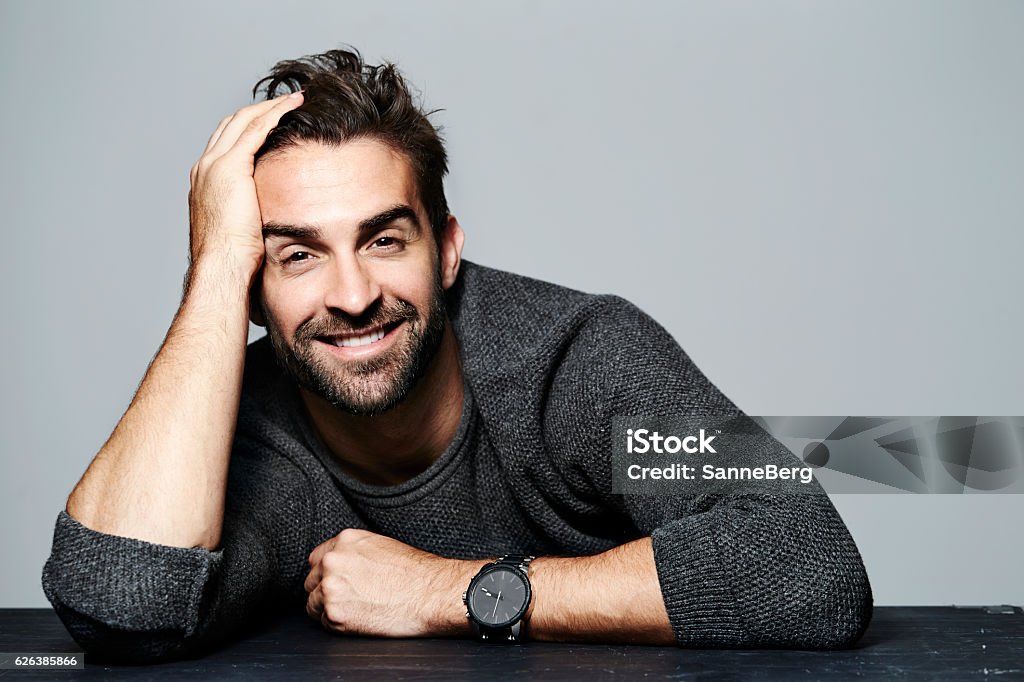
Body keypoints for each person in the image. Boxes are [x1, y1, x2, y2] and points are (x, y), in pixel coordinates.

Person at [42, 48, 873, 662]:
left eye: (384, 239)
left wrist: (446, 591)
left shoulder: (577, 362)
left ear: (445, 250)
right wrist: (216, 269)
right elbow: (123, 605)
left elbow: (805, 563)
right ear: (257, 288)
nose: (354, 294)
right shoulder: (261, 442)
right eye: (296, 255)